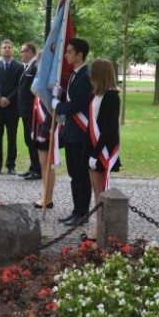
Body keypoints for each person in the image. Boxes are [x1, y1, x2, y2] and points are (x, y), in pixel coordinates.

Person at [52, 37, 92, 225]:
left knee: (82, 176)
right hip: (71, 132)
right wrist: (60, 95)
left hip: (81, 133)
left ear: (79, 54)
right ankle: (76, 211)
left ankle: (82, 213)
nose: (66, 55)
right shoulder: (75, 74)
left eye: (69, 51)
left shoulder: (86, 76)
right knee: (74, 175)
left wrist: (58, 105)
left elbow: (76, 105)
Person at [86, 58, 122, 240]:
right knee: (96, 190)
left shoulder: (111, 96)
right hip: (93, 148)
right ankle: (98, 226)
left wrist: (95, 153)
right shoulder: (96, 95)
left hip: (102, 151)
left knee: (101, 191)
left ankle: (102, 229)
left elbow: (108, 129)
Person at [0, 39, 24, 175]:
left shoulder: (19, 67)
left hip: (12, 107)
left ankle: (11, 166)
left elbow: (19, 86)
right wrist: (0, 98)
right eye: (4, 47)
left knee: (12, 138)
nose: (7, 49)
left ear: (12, 50)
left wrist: (8, 98)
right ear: (0, 50)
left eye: (9, 47)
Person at [16, 42, 41, 181]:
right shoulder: (28, 67)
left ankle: (38, 169)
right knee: (28, 139)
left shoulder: (35, 67)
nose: (21, 54)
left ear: (30, 52)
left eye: (23, 51)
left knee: (32, 139)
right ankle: (33, 167)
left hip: (32, 111)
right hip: (25, 111)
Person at [31, 95, 57, 209]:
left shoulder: (50, 88)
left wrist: (45, 130)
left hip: (47, 130)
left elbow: (51, 111)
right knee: (43, 165)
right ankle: (46, 196)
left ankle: (48, 198)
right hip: (40, 128)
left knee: (47, 166)